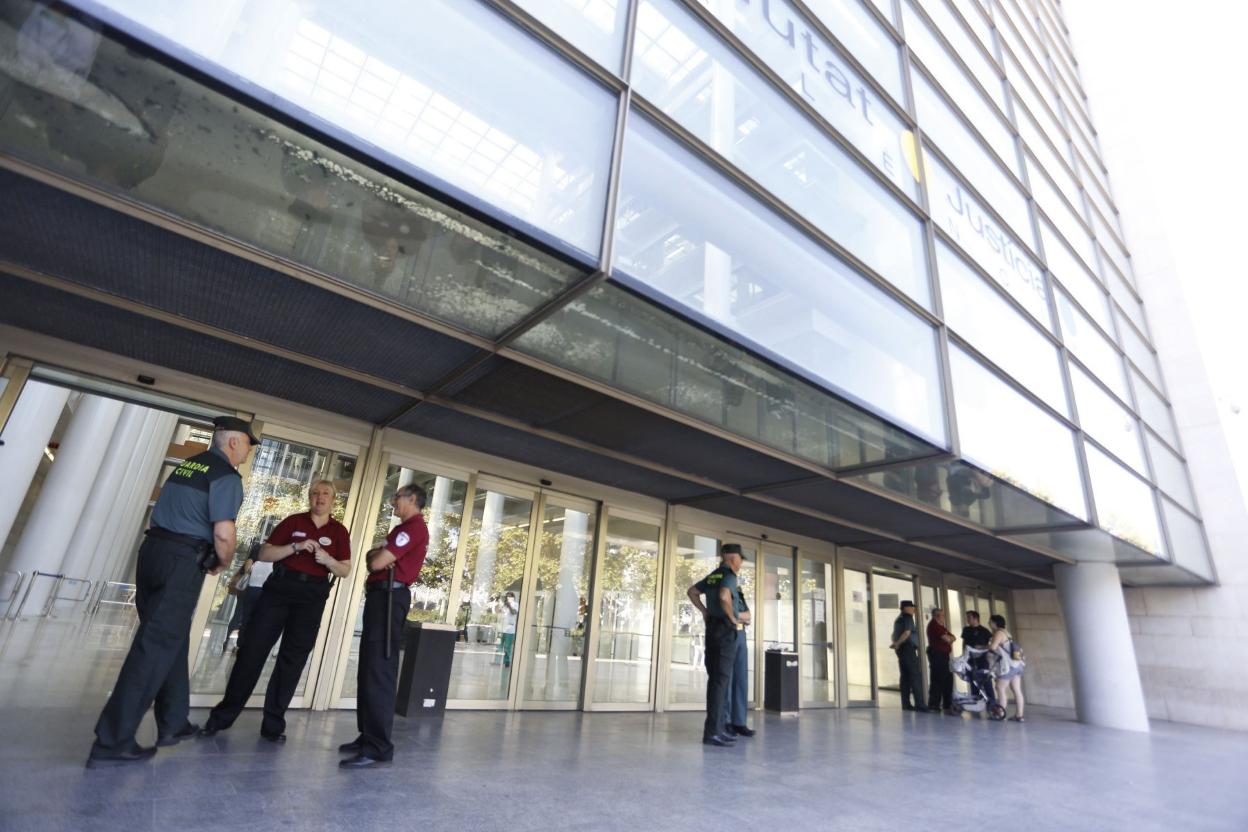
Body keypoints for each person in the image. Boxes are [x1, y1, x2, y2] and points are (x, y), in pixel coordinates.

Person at [86, 416, 257, 767]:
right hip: (182, 561)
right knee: (155, 646)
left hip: (153, 554)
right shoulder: (226, 476)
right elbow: (223, 534)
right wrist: (222, 563)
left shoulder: (188, 465)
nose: (248, 453)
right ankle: (112, 741)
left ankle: (173, 721)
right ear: (234, 443)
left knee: (171, 638)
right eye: (248, 445)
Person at [199, 480, 352, 742]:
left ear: (333, 500)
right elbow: (266, 554)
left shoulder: (339, 531)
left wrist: (327, 560)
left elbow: (345, 570)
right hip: (280, 589)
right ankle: (221, 718)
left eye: (325, 493)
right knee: (252, 652)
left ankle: (273, 724)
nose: (319, 497)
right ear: (309, 497)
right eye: (314, 493)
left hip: (312, 597)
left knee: (291, 661)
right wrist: (295, 547)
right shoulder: (293, 522)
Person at [339, 483, 430, 769]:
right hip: (381, 597)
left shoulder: (412, 528)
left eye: (397, 497)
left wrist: (379, 556)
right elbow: (373, 560)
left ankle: (378, 746)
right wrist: (376, 557)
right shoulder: (402, 529)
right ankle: (367, 735)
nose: (393, 502)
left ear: (413, 499)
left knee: (379, 669)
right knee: (369, 667)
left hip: (391, 598)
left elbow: (377, 562)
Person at [692, 544, 754, 738]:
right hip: (728, 629)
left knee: (737, 678)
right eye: (740, 559)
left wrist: (705, 611)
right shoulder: (726, 576)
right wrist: (735, 617)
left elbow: (693, 591)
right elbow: (726, 599)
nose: (741, 563)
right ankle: (725, 722)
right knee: (724, 679)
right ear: (732, 558)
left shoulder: (715, 576)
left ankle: (737, 721)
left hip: (734, 631)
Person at [889, 600, 928, 712]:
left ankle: (906, 704)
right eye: (912, 607)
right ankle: (920, 704)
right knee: (915, 675)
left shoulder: (898, 618)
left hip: (901, 650)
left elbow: (893, 634)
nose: (913, 609)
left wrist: (896, 643)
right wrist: (898, 643)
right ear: (906, 608)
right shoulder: (907, 617)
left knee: (905, 677)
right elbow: (907, 632)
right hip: (908, 649)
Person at [988, 614, 1026, 722]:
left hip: (1009, 666)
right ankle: (1019, 715)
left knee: (1000, 688)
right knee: (1017, 690)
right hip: (1017, 664)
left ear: (995, 623)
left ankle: (1000, 713)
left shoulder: (999, 633)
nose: (989, 624)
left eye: (990, 622)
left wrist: (983, 647)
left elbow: (993, 647)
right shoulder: (1007, 632)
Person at [926, 607, 955, 713]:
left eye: (942, 615)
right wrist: (949, 639)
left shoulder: (941, 626)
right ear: (936, 616)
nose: (942, 617)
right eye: (940, 615)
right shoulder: (934, 625)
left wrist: (950, 638)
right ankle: (934, 705)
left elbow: (953, 637)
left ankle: (947, 704)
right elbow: (947, 639)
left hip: (943, 655)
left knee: (947, 679)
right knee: (938, 679)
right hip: (937, 655)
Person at [498, 592, 518, 667]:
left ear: (513, 597)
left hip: (510, 629)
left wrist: (509, 606)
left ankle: (507, 661)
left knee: (507, 646)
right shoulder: (504, 605)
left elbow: (514, 612)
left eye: (510, 597)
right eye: (507, 597)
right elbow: (499, 613)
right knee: (500, 645)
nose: (508, 598)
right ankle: (499, 660)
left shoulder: (515, 604)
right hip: (502, 628)